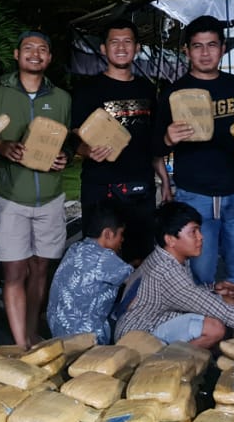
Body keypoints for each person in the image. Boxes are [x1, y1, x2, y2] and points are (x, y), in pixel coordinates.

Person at [115, 201, 234, 367]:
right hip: (137, 337)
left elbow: (179, 293)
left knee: (226, 300)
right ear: (170, 239)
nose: (201, 237)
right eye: (193, 232)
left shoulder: (168, 256)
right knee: (214, 327)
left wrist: (212, 288)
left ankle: (206, 359)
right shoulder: (166, 271)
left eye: (199, 230)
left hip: (152, 319)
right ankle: (164, 366)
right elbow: (222, 311)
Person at [156, 15, 234, 307]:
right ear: (187, 50)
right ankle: (207, 332)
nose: (205, 52)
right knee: (201, 273)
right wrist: (167, 139)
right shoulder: (174, 93)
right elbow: (153, 145)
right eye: (197, 46)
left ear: (222, 48)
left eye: (212, 45)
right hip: (194, 195)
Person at [0, 29, 72, 347]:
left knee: (40, 268)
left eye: (42, 49)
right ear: (17, 54)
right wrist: (0, 146)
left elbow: (68, 140)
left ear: (49, 57)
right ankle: (21, 343)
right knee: (14, 271)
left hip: (50, 197)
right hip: (12, 198)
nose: (35, 54)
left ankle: (32, 332)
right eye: (29, 48)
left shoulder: (61, 98)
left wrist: (65, 156)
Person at [70, 17, 171, 264]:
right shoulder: (87, 90)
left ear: (137, 48)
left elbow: (153, 140)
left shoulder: (147, 89)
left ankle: (135, 292)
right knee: (99, 262)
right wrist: (86, 150)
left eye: (127, 42)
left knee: (140, 259)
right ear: (103, 48)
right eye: (114, 42)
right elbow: (72, 137)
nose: (121, 47)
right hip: (100, 188)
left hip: (141, 188)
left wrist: (165, 180)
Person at [46, 202, 133, 344]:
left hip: (58, 332)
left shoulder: (74, 248)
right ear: (108, 234)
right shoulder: (104, 258)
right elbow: (136, 279)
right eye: (121, 234)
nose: (122, 240)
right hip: (87, 340)